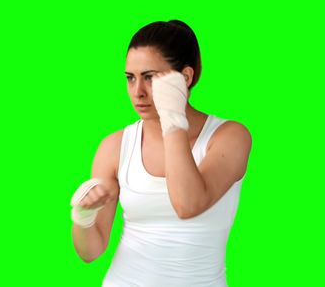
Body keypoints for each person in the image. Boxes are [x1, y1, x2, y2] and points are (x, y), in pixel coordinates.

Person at [70, 20, 252, 286]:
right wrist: (83, 216)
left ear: (186, 78)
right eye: (130, 78)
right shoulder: (115, 146)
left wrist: (172, 117)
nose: (138, 92)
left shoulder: (229, 137)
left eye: (150, 77)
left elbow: (188, 204)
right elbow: (91, 251)